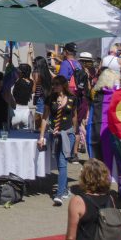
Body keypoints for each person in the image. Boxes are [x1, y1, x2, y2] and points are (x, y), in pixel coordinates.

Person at [39, 75, 79, 206]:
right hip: (55, 135)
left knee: (62, 162)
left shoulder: (73, 98)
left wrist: (75, 131)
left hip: (67, 135)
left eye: (57, 84)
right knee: (58, 161)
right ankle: (65, 189)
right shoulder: (50, 99)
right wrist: (41, 136)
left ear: (63, 85)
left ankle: (59, 194)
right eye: (53, 84)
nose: (54, 87)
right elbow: (45, 118)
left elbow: (74, 116)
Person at [11, 63, 34, 130]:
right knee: (26, 134)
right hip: (26, 111)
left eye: (19, 71)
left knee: (12, 134)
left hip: (16, 110)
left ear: (22, 72)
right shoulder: (31, 82)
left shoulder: (18, 81)